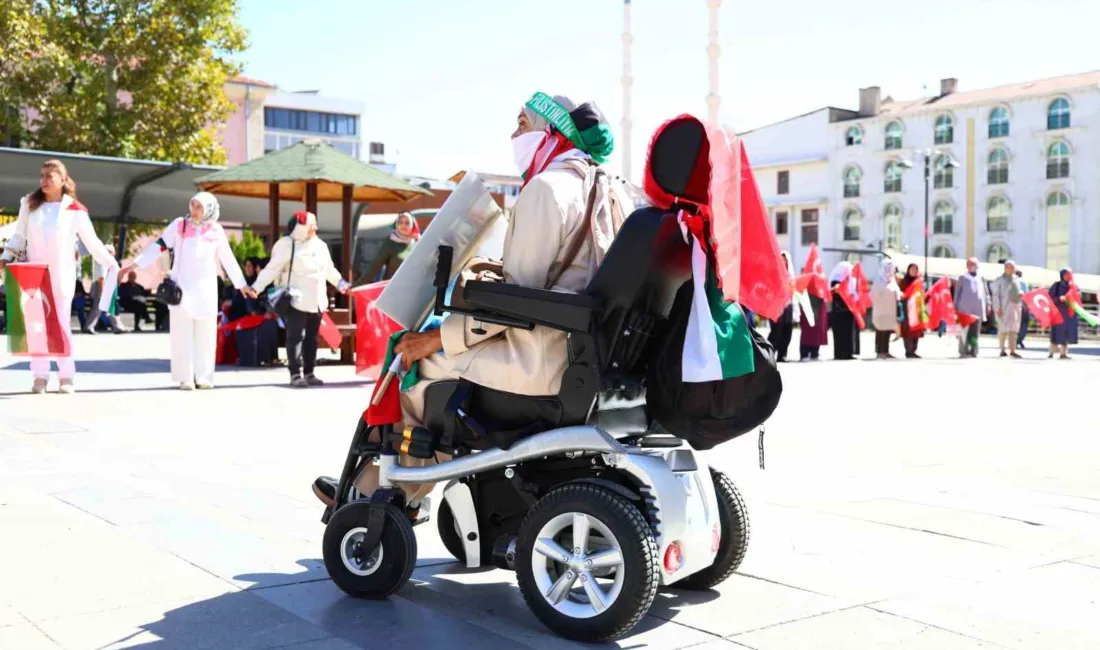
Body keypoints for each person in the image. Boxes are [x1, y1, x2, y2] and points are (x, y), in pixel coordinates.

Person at [311, 92, 623, 515]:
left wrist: (435, 340)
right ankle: (385, 491)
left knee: (414, 370)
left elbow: (519, 298)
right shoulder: (611, 189)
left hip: (541, 360)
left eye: (522, 123)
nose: (514, 134)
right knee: (430, 358)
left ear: (552, 131)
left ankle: (381, 498)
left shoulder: (546, 189)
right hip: (588, 354)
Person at [0, 159, 119, 393]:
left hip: (62, 276)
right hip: (33, 274)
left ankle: (66, 377)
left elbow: (92, 243)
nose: (43, 180)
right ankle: (40, 377)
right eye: (42, 175)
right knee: (36, 326)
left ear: (63, 180)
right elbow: (18, 236)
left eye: (49, 176)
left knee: (62, 324)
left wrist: (111, 263)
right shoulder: (29, 204)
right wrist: (6, 257)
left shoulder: (75, 209)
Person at [125, 192, 253, 389]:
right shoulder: (179, 225)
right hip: (181, 289)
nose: (194, 210)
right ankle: (185, 377)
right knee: (181, 334)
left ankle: (204, 377)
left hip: (206, 290)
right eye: (193, 205)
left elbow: (228, 259)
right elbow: (159, 246)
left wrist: (242, 284)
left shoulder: (216, 230)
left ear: (209, 209)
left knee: (206, 333)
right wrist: (134, 265)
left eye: (199, 207)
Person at [250, 210, 349, 387]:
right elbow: (272, 269)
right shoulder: (286, 245)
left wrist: (342, 285)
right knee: (295, 337)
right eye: (312, 224)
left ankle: (310, 373)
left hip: (317, 300)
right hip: (296, 300)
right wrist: (256, 288)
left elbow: (329, 270)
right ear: (300, 227)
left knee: (312, 338)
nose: (316, 228)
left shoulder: (321, 246)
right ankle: (295, 374)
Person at [353, 212, 420, 285]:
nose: (403, 226)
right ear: (396, 225)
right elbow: (375, 266)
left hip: (413, 288)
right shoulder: (390, 242)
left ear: (412, 226)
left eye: (407, 223)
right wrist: (358, 285)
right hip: (393, 288)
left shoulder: (418, 242)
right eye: (400, 222)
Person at [85, 243, 126, 334]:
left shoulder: (104, 261)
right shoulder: (103, 262)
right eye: (112, 252)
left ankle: (117, 326)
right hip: (101, 285)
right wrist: (102, 291)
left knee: (108, 306)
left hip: (104, 285)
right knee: (99, 307)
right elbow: (101, 278)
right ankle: (89, 326)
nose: (113, 254)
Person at [954, 257, 988, 358]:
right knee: (964, 331)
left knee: (975, 332)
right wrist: (955, 305)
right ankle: (963, 351)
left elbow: (986, 292)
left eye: (972, 264)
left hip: (977, 308)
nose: (970, 266)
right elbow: (957, 293)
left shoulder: (981, 278)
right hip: (964, 308)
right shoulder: (962, 278)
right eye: (968, 264)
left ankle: (974, 350)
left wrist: (988, 304)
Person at [767, 251, 796, 362]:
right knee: (776, 332)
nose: (783, 261)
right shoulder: (773, 273)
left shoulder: (791, 276)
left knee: (787, 331)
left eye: (785, 259)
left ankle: (782, 355)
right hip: (775, 306)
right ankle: (769, 355)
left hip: (788, 306)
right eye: (781, 259)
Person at [991, 260, 1023, 358]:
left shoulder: (1017, 279)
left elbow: (1019, 290)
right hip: (1003, 307)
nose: (1010, 269)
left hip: (1015, 307)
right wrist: (997, 307)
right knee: (1003, 329)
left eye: (1012, 267)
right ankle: (1002, 349)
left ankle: (1013, 350)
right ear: (1005, 268)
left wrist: (1021, 294)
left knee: (1013, 330)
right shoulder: (999, 280)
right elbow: (995, 295)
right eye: (1008, 267)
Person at [870, 259, 901, 360]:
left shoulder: (892, 280)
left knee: (887, 330)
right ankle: (879, 351)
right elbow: (874, 295)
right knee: (880, 330)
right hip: (880, 310)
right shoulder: (879, 281)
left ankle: (886, 351)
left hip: (890, 309)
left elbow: (897, 292)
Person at [829, 261, 859, 360]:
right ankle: (838, 353)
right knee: (839, 333)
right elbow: (834, 293)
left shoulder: (850, 281)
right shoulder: (835, 281)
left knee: (849, 333)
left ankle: (848, 352)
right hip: (838, 311)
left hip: (848, 311)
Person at [1048, 268, 1078, 359]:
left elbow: (1078, 297)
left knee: (1067, 334)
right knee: (1056, 333)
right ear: (1062, 275)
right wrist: (1058, 299)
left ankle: (1063, 353)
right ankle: (1051, 353)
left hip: (1069, 314)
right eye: (1067, 274)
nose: (1069, 276)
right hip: (1058, 313)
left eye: (1070, 274)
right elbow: (1050, 298)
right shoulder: (1056, 285)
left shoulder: (1073, 286)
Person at [898, 264, 924, 358]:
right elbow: (901, 294)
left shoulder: (919, 281)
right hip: (907, 310)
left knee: (916, 330)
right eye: (912, 269)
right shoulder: (904, 282)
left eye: (915, 269)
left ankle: (913, 350)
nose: (914, 271)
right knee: (907, 330)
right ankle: (908, 351)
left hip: (917, 309)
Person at [1016, 270, 1030, 349]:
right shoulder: (1024, 282)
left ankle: (1016, 340)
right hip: (1024, 304)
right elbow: (1027, 295)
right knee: (1024, 323)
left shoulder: (1013, 281)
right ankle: (1020, 339)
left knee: (1016, 323)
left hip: (1014, 305)